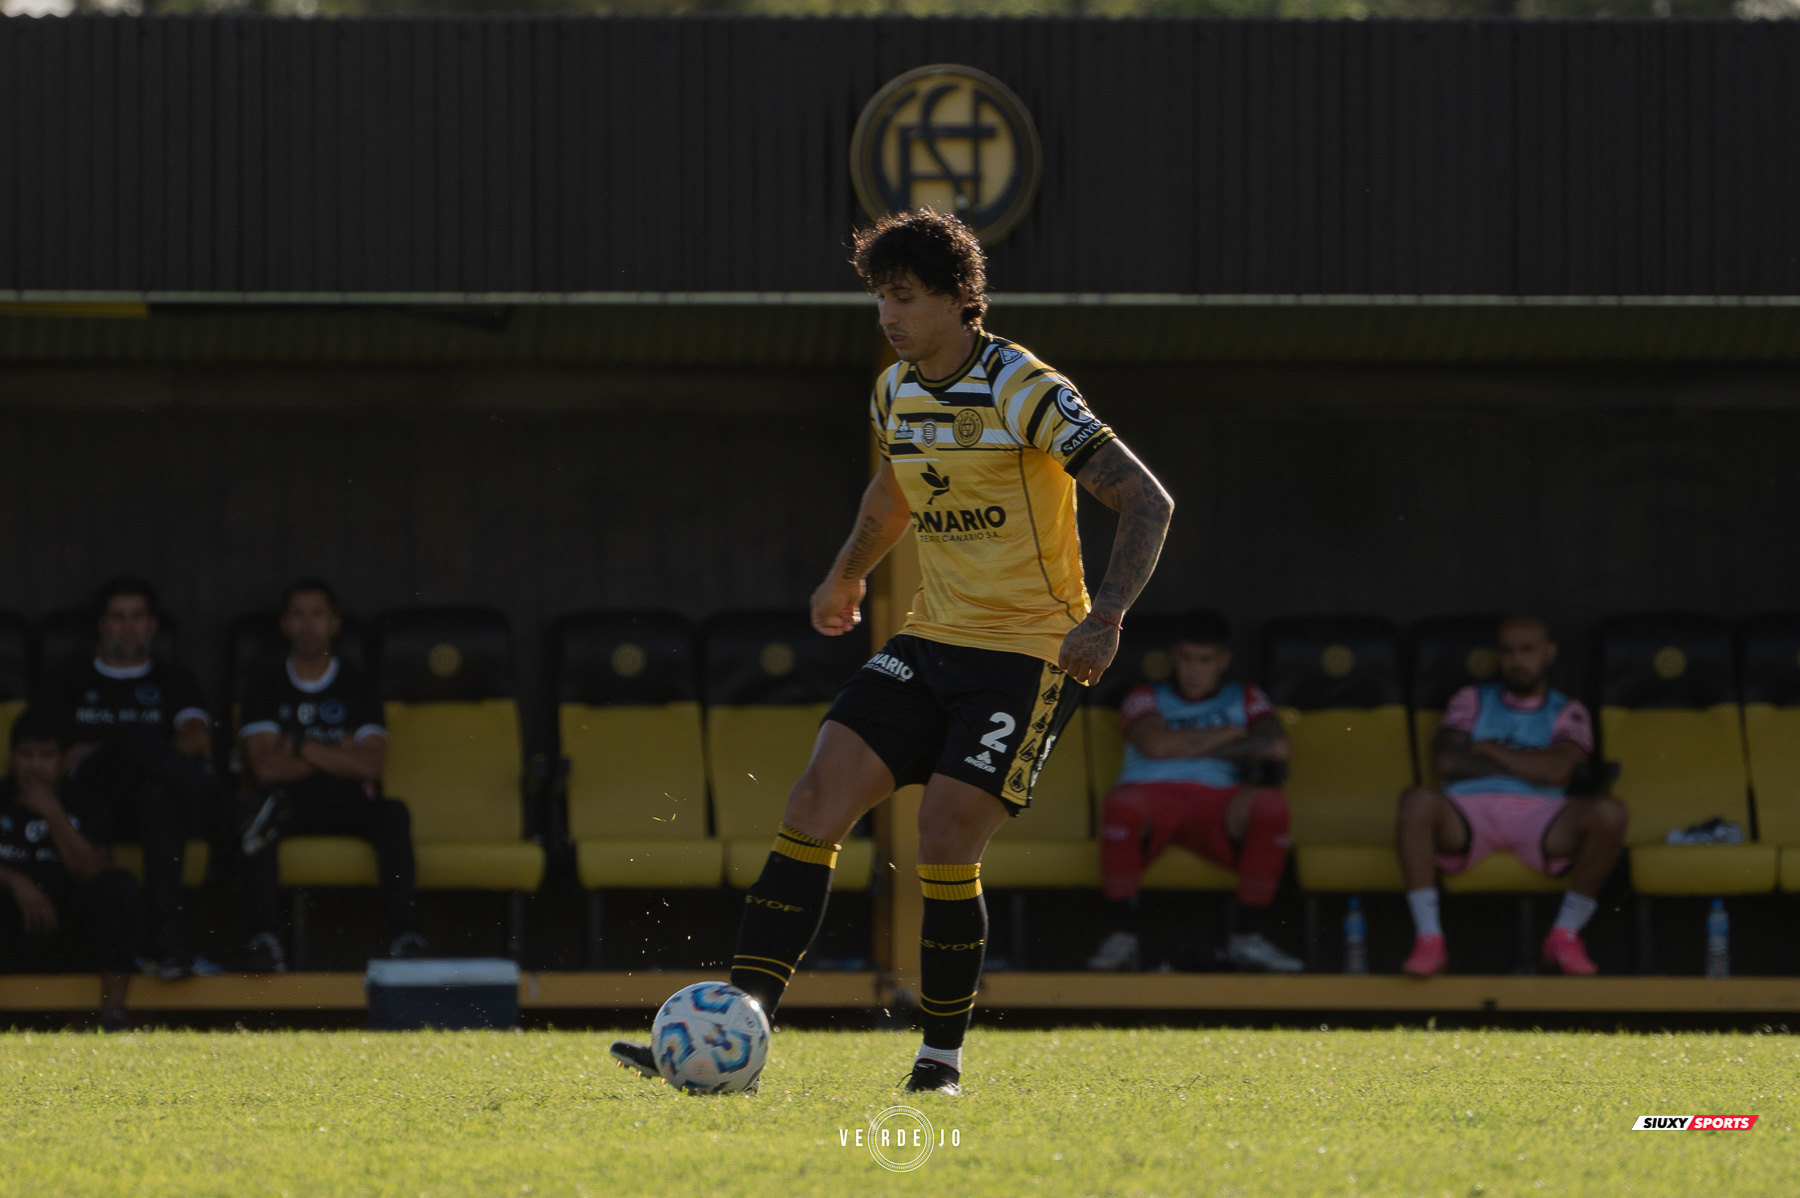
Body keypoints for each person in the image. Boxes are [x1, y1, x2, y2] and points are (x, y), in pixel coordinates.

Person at [610, 207, 1174, 1096]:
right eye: (880, 296)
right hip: (929, 638)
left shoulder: (1022, 385)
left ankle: (939, 1062)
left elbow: (1146, 499)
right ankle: (737, 1030)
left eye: (905, 297)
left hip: (1029, 653)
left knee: (943, 834)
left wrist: (1104, 618)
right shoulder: (894, 391)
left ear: (958, 298)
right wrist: (845, 578)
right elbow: (895, 489)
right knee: (814, 800)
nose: (888, 315)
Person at [1396, 614, 1628, 976]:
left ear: (1549, 653)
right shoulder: (1471, 699)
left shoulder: (1567, 710)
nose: (1517, 660)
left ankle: (1565, 934)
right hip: (1468, 811)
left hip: (1541, 816)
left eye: (1527, 650)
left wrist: (1489, 749)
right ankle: (1429, 940)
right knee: (1416, 801)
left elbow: (1557, 771)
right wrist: (1531, 763)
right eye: (1507, 651)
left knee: (1611, 813)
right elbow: (1447, 761)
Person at [1086, 613, 1301, 974]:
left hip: (1218, 802)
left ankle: (1247, 938)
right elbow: (1155, 745)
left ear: (1223, 660)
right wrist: (1230, 733)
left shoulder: (1244, 695)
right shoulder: (1145, 695)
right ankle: (1122, 938)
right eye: (1186, 658)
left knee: (1270, 804)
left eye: (1205, 660)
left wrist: (1183, 742)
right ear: (1173, 656)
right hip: (1152, 797)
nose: (1194, 670)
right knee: (1122, 804)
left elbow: (1277, 746)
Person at [36, 577, 225, 980]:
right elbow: (45, 756)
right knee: (133, 738)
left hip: (149, 811)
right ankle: (230, 812)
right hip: (89, 803)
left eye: (137, 616)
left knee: (153, 787)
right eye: (117, 617)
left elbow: (198, 738)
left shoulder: (173, 678)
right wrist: (128, 749)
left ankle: (166, 948)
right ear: (102, 625)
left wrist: (136, 755)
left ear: (152, 625)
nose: (128, 626)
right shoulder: (68, 679)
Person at [238, 580, 425, 970]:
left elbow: (370, 766)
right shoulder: (265, 683)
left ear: (334, 623)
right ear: (284, 623)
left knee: (394, 813)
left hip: (346, 800)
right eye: (298, 614)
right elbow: (264, 769)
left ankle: (405, 937)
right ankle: (265, 939)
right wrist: (337, 750)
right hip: (288, 802)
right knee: (255, 812)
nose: (307, 624)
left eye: (317, 614)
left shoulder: (358, 684)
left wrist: (299, 746)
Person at [0, 708, 143, 1031]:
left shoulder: (86, 801)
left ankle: (113, 1016)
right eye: (26, 754)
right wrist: (15, 881)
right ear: (11, 758)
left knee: (119, 886)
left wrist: (52, 813)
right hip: (12, 924)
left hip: (68, 930)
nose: (35, 765)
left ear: (65, 760)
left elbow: (93, 870)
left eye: (46, 755)